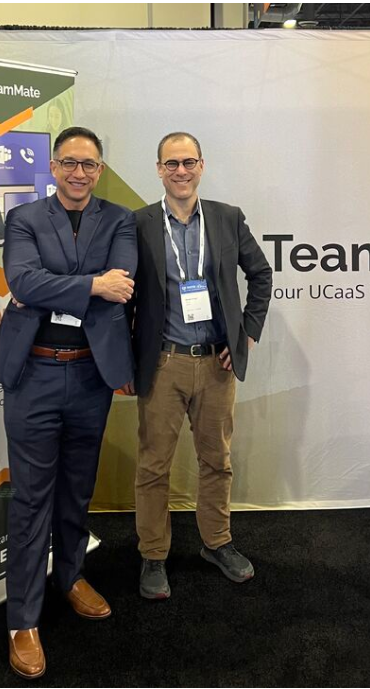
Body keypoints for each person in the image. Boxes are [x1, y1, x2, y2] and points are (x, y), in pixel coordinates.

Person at [0, 126, 136, 679]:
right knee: (31, 499)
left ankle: (71, 576)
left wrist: (69, 283)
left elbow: (124, 283)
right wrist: (92, 285)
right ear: (53, 167)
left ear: (99, 170)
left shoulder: (119, 220)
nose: (79, 173)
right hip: (35, 374)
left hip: (91, 376)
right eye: (70, 162)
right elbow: (23, 282)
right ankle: (22, 620)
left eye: (89, 164)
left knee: (78, 488)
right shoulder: (24, 218)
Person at [124, 132, 273, 600]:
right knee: (154, 466)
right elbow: (124, 296)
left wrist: (246, 334)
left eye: (189, 162)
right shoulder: (139, 223)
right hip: (162, 364)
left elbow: (261, 274)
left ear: (202, 166)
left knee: (217, 461)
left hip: (216, 366)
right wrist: (125, 358)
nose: (181, 171)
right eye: (172, 163)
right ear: (159, 169)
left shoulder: (227, 218)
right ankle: (153, 554)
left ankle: (217, 543)